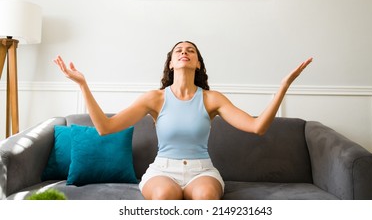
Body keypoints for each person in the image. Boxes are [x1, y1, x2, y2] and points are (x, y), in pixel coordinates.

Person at [54, 41, 312, 200]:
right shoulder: (154, 99)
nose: (184, 52)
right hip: (162, 171)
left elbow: (257, 127)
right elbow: (105, 128)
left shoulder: (211, 99)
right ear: (171, 63)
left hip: (202, 171)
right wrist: (83, 84)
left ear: (198, 64)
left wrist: (283, 85)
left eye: (191, 50)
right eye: (179, 50)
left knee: (206, 198)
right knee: (165, 197)